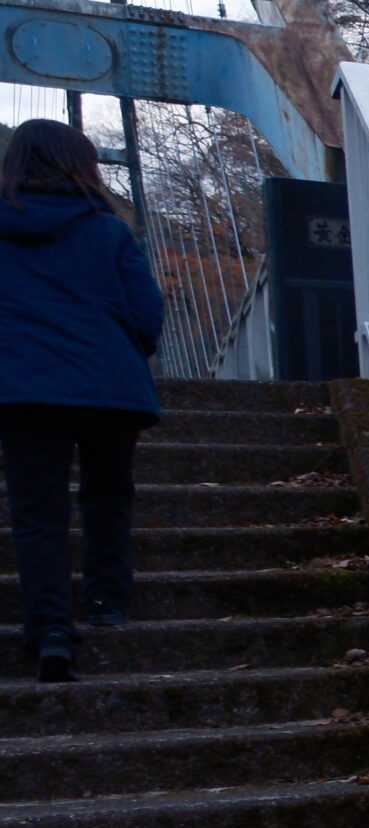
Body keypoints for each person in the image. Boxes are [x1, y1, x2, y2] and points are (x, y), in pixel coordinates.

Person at [0, 118, 164, 683]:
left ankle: (49, 630)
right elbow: (147, 316)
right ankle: (106, 603)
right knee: (108, 495)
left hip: (23, 388)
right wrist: (118, 347)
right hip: (108, 385)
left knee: (37, 514)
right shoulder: (107, 231)